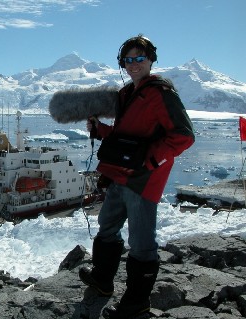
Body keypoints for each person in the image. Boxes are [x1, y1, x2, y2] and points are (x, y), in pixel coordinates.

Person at [79, 35, 195, 319]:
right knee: (107, 225)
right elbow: (124, 136)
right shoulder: (127, 92)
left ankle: (136, 303)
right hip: (119, 174)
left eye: (139, 58)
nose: (133, 65)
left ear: (151, 59)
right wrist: (101, 130)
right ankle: (103, 281)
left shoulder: (161, 93)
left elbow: (184, 136)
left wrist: (152, 160)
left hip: (143, 180)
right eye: (128, 60)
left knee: (142, 242)